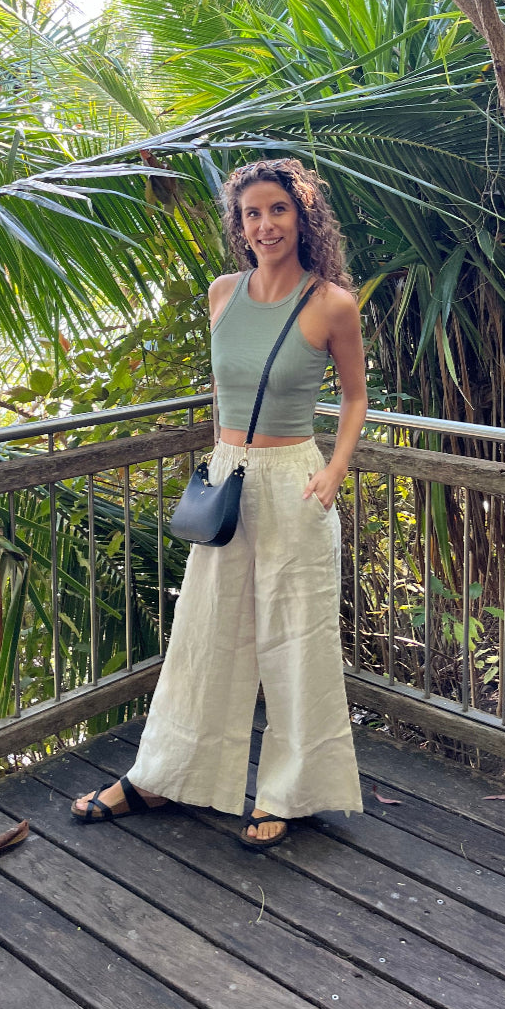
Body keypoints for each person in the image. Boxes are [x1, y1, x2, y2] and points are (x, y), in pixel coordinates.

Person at [71, 157, 368, 849]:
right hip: (227, 479)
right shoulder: (222, 294)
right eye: (251, 213)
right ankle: (162, 776)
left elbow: (355, 398)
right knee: (203, 636)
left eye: (278, 210)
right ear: (238, 224)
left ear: (303, 216)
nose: (265, 225)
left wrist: (336, 468)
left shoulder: (332, 304)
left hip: (295, 481)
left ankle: (290, 793)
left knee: (297, 642)